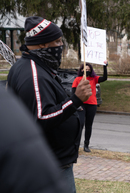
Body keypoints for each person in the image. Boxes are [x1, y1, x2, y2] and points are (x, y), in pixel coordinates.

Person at [7, 16, 92, 193]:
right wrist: (74, 100)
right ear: (42, 44)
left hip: (56, 162)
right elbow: (41, 117)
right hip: (50, 164)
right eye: (58, 41)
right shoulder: (33, 74)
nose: (61, 46)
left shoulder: (37, 67)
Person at [0, 87, 69, 193]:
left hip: (63, 157)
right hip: (57, 159)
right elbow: (43, 116)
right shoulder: (36, 77)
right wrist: (75, 100)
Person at [72, 61, 108, 152]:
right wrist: (76, 105)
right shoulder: (77, 79)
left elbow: (104, 78)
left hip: (92, 105)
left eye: (89, 69)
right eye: (85, 69)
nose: (87, 71)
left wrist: (105, 67)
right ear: (82, 70)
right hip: (82, 104)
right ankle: (76, 145)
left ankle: (86, 145)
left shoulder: (94, 78)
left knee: (89, 125)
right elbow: (73, 92)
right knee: (80, 124)